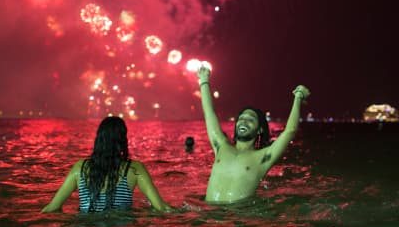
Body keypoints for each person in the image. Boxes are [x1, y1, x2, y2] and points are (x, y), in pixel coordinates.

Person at [197, 65, 311, 204]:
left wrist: (298, 97)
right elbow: (209, 113)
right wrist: (204, 80)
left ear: (259, 130)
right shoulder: (221, 146)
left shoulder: (263, 158)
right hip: (206, 214)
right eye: (241, 118)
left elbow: (290, 131)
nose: (244, 122)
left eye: (250, 120)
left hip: (235, 219)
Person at [41, 116, 172, 213]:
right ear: (122, 140)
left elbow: (53, 207)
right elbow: (160, 207)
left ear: (98, 139)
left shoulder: (80, 168)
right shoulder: (134, 169)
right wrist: (187, 212)